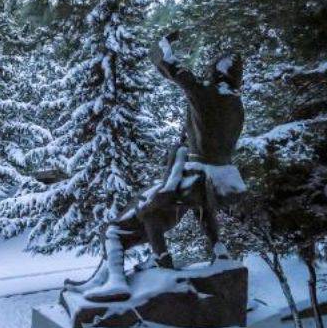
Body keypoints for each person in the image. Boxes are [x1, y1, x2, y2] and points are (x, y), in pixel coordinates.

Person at [74, 32, 247, 303]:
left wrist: (162, 44)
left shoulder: (205, 95)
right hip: (222, 178)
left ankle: (129, 274)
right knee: (195, 207)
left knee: (131, 218)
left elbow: (173, 69)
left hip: (193, 178)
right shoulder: (237, 105)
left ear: (217, 72)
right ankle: (219, 249)